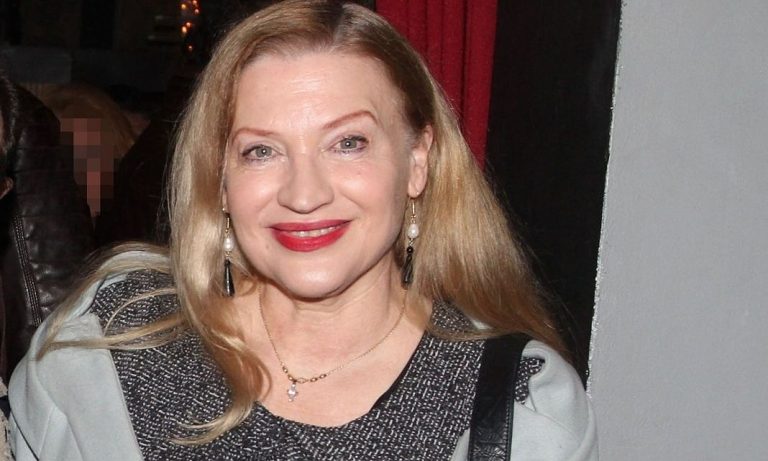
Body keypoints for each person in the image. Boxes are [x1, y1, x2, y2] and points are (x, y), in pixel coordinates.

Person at [8, 1, 597, 460]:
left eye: (348, 143)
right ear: (221, 180)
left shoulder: (520, 409)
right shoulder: (108, 351)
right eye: (261, 151)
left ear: (417, 161)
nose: (304, 193)